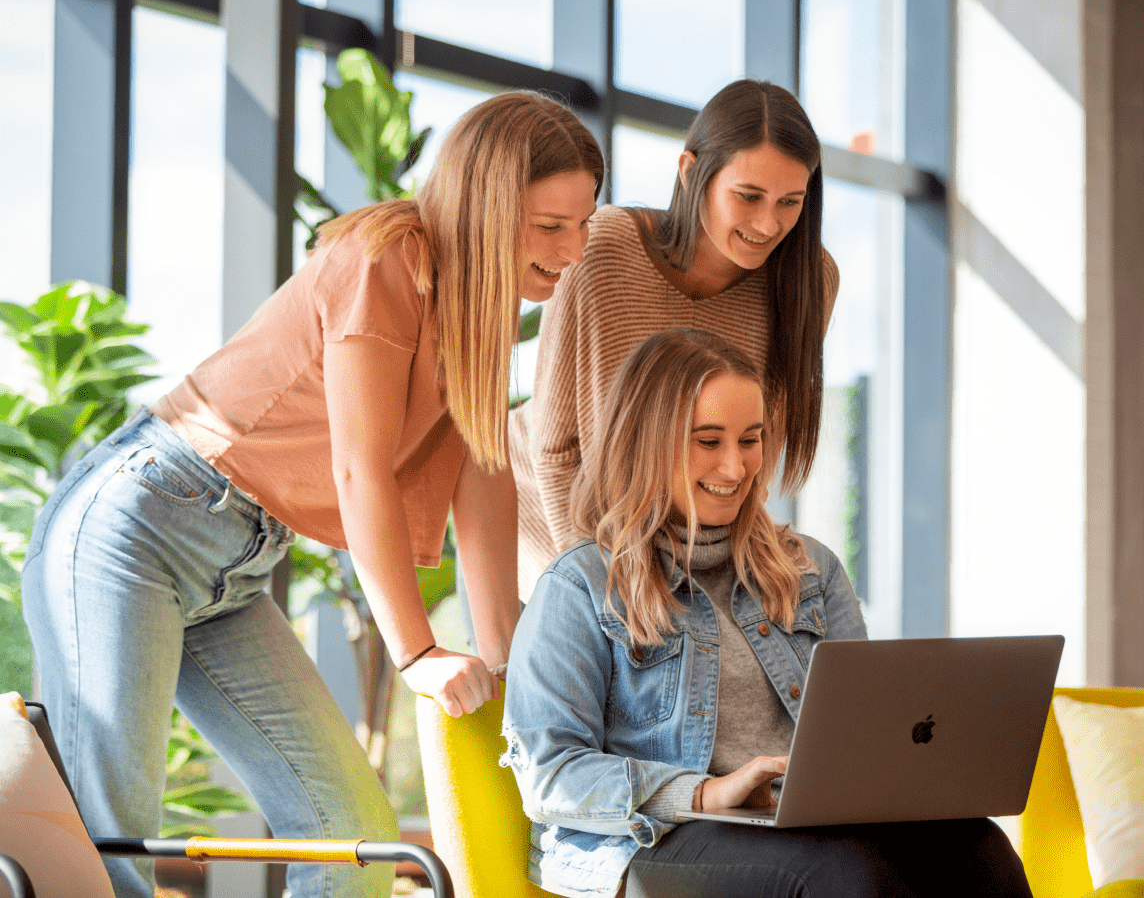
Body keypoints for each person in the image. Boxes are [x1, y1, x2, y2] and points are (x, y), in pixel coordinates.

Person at [21, 90, 604, 898]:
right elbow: (358, 466)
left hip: (233, 570)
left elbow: (483, 466)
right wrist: (418, 652)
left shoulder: (482, 304)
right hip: (136, 529)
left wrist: (505, 661)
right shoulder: (385, 261)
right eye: (550, 227)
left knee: (349, 835)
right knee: (108, 843)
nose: (573, 250)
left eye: (583, 223)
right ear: (485, 204)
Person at [502, 329, 1034, 898]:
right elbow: (549, 774)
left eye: (750, 439)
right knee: (839, 876)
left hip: (802, 829)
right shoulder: (580, 585)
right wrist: (706, 792)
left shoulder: (810, 570)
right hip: (650, 840)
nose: (735, 468)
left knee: (977, 848)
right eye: (708, 441)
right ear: (645, 442)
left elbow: (869, 730)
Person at [509, 79, 839, 603]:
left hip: (677, 566)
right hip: (549, 543)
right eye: (748, 196)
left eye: (790, 202)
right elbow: (555, 451)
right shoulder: (601, 250)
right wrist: (597, 589)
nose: (768, 222)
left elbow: (751, 453)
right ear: (690, 173)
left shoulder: (806, 281)